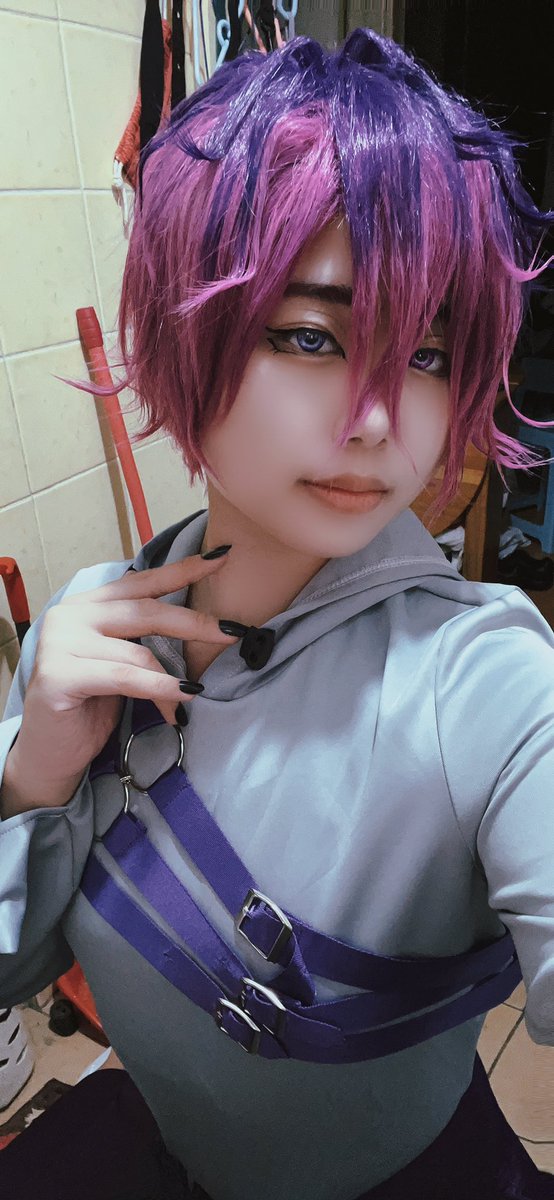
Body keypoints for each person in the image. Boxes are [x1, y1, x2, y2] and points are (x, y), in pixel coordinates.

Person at [1, 27, 553, 1200]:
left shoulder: (485, 679)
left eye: (427, 354)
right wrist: (32, 780)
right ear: (179, 329)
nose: (375, 418)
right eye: (310, 336)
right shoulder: (91, 629)